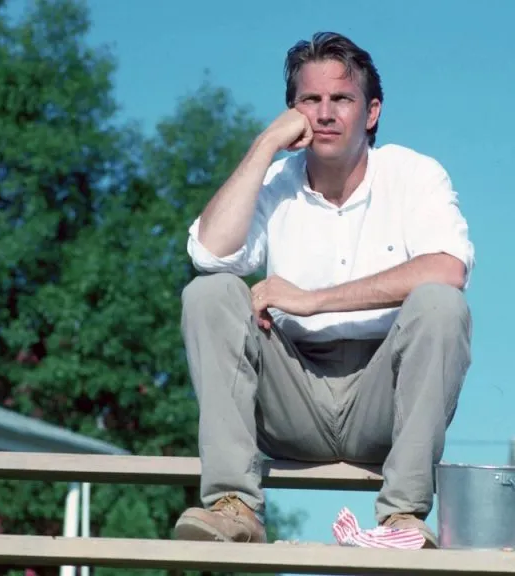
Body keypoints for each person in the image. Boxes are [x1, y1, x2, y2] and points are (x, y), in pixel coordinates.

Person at [173, 31, 474, 548]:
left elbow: (449, 269)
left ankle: (402, 516)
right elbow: (207, 254)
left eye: (341, 99)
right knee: (209, 292)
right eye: (310, 101)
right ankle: (233, 505)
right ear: (293, 112)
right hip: (291, 399)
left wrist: (313, 300)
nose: (326, 113)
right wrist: (265, 144)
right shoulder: (275, 180)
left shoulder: (414, 174)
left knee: (441, 305)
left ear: (371, 112)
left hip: (383, 400)